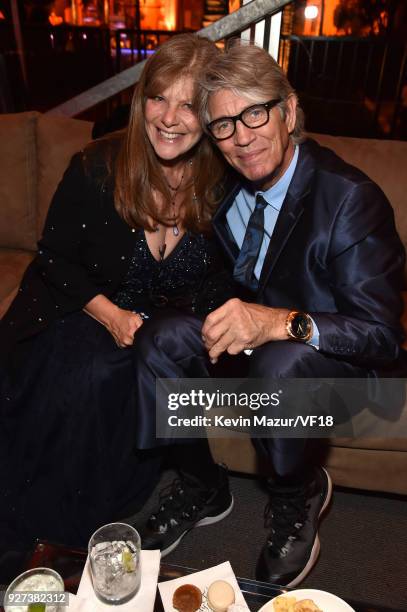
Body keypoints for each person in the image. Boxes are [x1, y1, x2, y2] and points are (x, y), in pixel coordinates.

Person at [133, 42, 406, 587]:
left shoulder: (350, 198)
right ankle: (201, 482)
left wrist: (278, 323)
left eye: (255, 112)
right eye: (224, 124)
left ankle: (295, 492)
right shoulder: (228, 183)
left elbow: (382, 336)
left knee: (281, 364)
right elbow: (223, 274)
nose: (242, 136)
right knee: (159, 337)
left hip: (334, 365)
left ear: (289, 109)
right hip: (261, 350)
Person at [0, 34, 235, 565]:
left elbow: (227, 280)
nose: (169, 118)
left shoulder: (227, 184)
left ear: (211, 114)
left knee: (148, 359)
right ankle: (54, 540)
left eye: (189, 103)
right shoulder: (96, 165)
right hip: (85, 300)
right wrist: (110, 314)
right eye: (159, 98)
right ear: (141, 100)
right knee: (80, 374)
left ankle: (189, 485)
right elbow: (54, 258)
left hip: (169, 319)